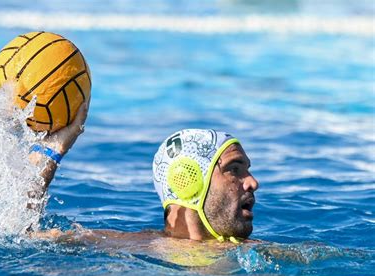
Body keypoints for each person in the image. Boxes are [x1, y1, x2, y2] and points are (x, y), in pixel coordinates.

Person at [27, 100, 260, 252]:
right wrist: (52, 152)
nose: (253, 182)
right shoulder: (123, 245)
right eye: (234, 169)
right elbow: (26, 237)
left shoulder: (254, 251)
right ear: (187, 180)